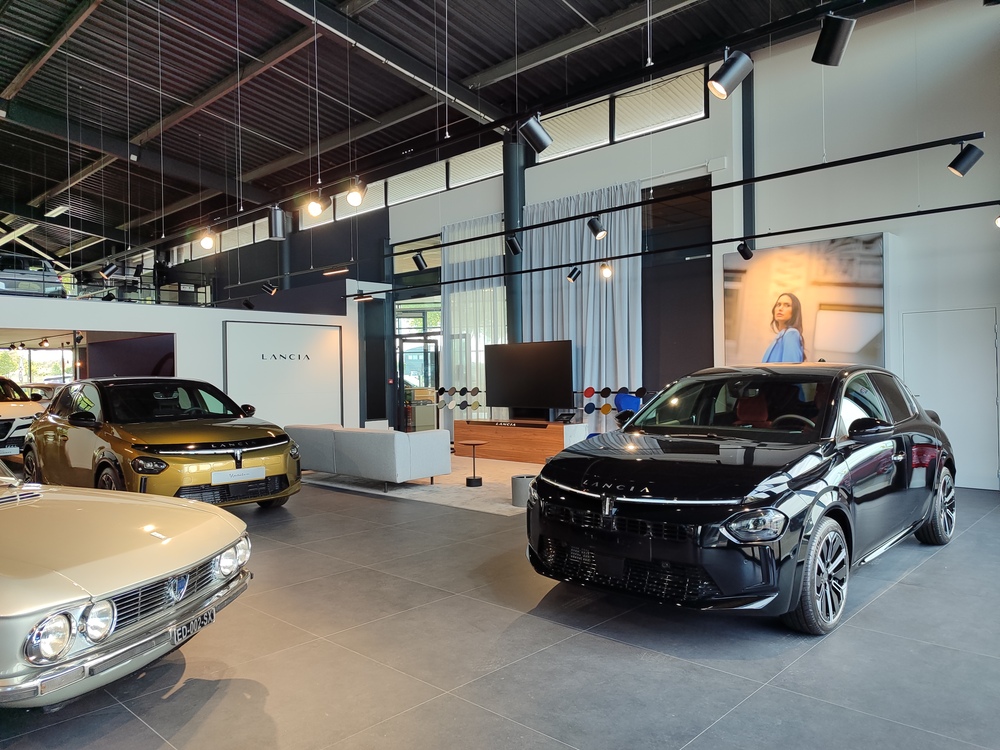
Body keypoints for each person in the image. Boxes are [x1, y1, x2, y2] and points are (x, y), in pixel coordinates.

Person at [762, 292, 805, 363]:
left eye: (787, 305)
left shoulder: (791, 334)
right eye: (778, 305)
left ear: (794, 311)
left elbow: (790, 367)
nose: (780, 308)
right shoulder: (781, 336)